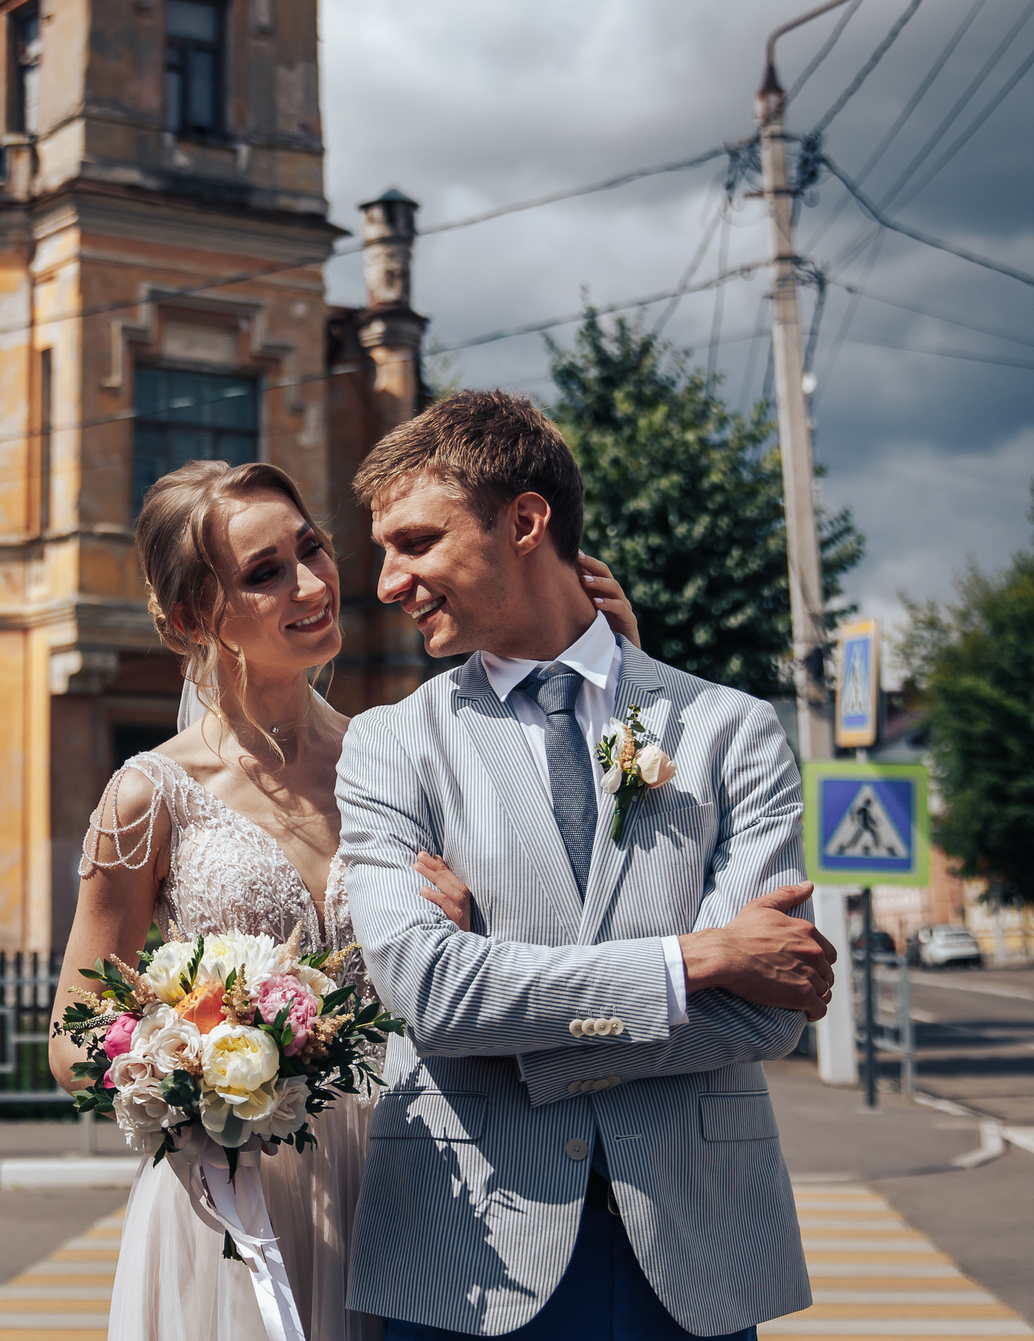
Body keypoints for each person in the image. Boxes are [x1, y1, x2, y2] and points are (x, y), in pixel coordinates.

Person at [50, 458, 641, 1341]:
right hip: (240, 1200)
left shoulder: (400, 754)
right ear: (191, 617)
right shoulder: (146, 796)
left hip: (415, 1183)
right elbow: (73, 1035)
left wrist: (611, 676)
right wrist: (192, 1072)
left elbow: (561, 896)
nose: (313, 582)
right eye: (264, 573)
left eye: (312, 548)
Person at [336, 390, 835, 1341]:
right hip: (465, 1252)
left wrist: (500, 985)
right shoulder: (390, 743)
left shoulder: (733, 731)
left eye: (415, 541)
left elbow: (763, 1016)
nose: (390, 582)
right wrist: (699, 959)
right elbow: (425, 992)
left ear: (525, 521)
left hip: (694, 1254)